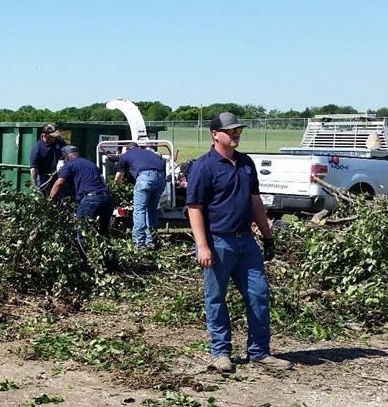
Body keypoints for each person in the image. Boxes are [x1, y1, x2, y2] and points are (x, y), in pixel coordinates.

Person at [186, 112, 291, 373]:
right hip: (218, 242)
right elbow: (195, 207)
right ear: (215, 134)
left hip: (247, 242)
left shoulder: (246, 163)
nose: (236, 134)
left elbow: (255, 201)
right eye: (230, 131)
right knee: (216, 298)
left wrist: (268, 237)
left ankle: (259, 352)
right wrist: (203, 246)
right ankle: (221, 353)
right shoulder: (204, 166)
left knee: (259, 295)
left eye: (238, 130)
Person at [49, 145, 115, 265]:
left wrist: (50, 200)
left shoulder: (69, 165)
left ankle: (84, 264)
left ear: (65, 157)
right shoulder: (90, 164)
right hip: (107, 198)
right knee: (104, 232)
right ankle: (109, 262)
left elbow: (59, 184)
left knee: (82, 231)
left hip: (91, 199)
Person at [114, 143, 167, 249]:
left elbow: (117, 178)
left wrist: (120, 186)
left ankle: (139, 242)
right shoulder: (148, 152)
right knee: (151, 210)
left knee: (140, 210)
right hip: (161, 179)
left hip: (145, 177)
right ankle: (151, 242)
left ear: (127, 149)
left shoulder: (125, 155)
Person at [29, 124, 67, 195]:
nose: (55, 138)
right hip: (44, 178)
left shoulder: (59, 141)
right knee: (45, 197)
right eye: (53, 136)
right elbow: (33, 168)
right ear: (45, 135)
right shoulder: (37, 148)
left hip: (59, 176)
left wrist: (64, 161)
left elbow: (66, 152)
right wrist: (34, 185)